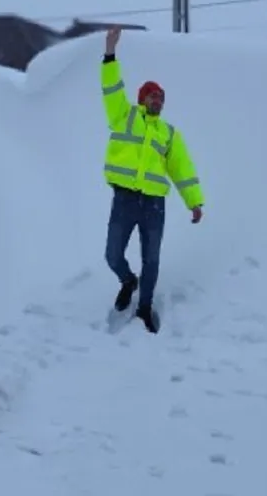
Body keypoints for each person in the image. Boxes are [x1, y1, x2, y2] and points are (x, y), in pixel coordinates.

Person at [100, 26, 204, 333]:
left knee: (152, 260)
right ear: (142, 98)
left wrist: (194, 202)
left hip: (154, 204)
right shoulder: (123, 116)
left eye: (162, 97)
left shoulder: (169, 133)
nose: (159, 100)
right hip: (125, 200)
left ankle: (144, 308)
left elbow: (181, 169)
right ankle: (127, 281)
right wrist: (109, 52)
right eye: (154, 95)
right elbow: (111, 87)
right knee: (112, 254)